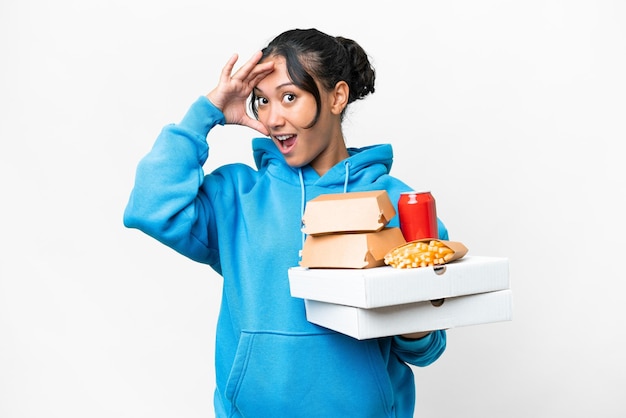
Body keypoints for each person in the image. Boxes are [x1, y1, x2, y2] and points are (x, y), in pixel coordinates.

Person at [124, 28, 449, 418]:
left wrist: (412, 314)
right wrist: (205, 113)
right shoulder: (238, 195)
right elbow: (150, 206)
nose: (273, 118)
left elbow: (426, 349)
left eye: (289, 97)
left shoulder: (397, 203)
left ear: (337, 96)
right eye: (262, 101)